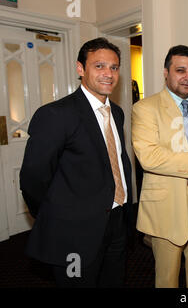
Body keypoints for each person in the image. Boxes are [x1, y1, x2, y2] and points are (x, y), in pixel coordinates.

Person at [20, 37, 133, 287]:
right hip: (74, 232)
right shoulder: (56, 114)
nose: (108, 74)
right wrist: (57, 217)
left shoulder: (117, 112)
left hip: (116, 222)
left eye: (114, 67)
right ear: (80, 69)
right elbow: (33, 178)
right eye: (99, 66)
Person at [132, 45, 188, 288]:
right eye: (180, 70)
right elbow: (149, 157)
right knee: (167, 277)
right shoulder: (145, 108)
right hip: (167, 201)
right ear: (166, 72)